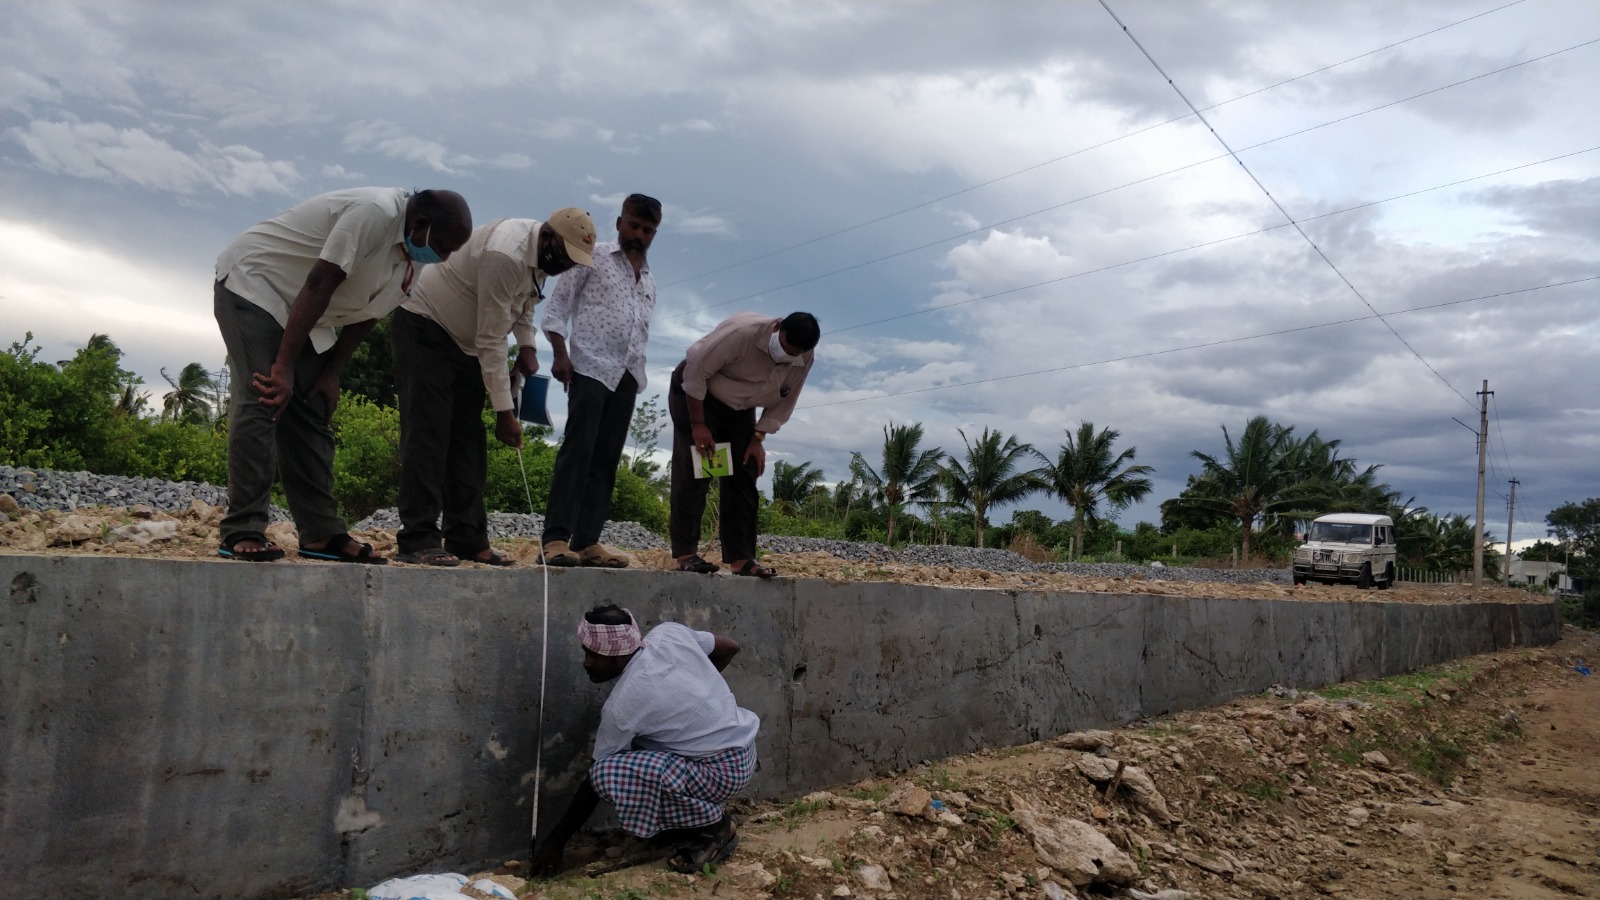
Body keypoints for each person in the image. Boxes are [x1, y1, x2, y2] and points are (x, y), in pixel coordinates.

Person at [213, 187, 472, 563]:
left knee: (313, 404)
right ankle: (242, 528)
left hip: (306, 312)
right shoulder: (374, 212)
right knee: (266, 395)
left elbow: (370, 314)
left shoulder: (412, 258)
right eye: (443, 247)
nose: (444, 258)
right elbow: (320, 281)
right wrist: (283, 366)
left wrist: (331, 371)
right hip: (255, 284)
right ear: (420, 223)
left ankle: (321, 534)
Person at [390, 210, 598, 567]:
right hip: (425, 325)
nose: (564, 266)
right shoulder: (506, 253)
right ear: (548, 236)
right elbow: (492, 339)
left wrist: (528, 346)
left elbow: (524, 304)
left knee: (468, 443)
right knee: (428, 434)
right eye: (564, 257)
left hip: (466, 343)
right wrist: (505, 413)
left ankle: (467, 539)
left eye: (572, 262)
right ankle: (418, 539)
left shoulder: (541, 257)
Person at [532, 604, 757, 877]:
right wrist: (697, 692)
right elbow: (729, 647)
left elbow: (593, 782)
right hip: (744, 751)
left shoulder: (624, 705)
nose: (587, 662)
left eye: (596, 655)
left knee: (606, 773)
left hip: (720, 774)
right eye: (586, 652)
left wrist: (556, 841)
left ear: (618, 655)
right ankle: (682, 824)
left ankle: (713, 827)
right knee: (640, 746)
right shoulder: (669, 634)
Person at [538, 194, 663, 568]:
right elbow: (556, 309)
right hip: (590, 367)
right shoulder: (590, 257)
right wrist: (560, 354)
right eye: (634, 225)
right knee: (578, 452)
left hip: (628, 375)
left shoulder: (650, 281)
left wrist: (635, 375)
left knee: (607, 460)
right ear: (620, 223)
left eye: (647, 230)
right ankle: (555, 539)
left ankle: (588, 542)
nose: (638, 234)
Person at [669, 311, 820, 577]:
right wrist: (699, 425)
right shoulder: (742, 334)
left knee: (745, 469)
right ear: (778, 328)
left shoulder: (804, 357)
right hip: (699, 398)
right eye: (786, 348)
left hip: (740, 408)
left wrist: (757, 439)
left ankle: (741, 559)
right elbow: (695, 371)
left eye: (795, 354)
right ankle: (686, 554)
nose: (788, 356)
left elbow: (786, 399)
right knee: (699, 469)